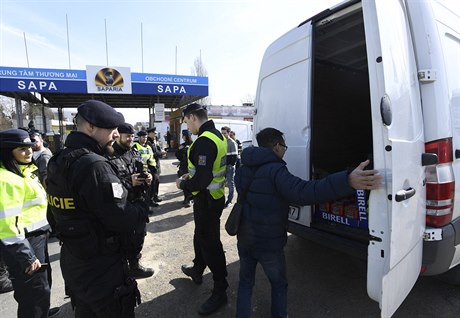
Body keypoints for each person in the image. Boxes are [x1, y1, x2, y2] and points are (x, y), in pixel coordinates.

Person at [234, 127, 383, 318]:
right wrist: (346, 181)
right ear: (277, 146)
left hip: (245, 236)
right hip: (268, 242)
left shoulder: (244, 168)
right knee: (278, 283)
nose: (284, 151)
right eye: (284, 147)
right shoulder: (276, 170)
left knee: (245, 282)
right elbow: (304, 192)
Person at [46, 100, 149, 318]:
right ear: (90, 127)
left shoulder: (58, 160)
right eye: (111, 129)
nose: (115, 134)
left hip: (75, 260)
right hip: (102, 267)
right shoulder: (95, 166)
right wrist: (141, 205)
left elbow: (53, 215)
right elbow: (122, 218)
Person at [175, 103, 228, 316]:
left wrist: (183, 184)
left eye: (187, 121)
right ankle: (198, 269)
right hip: (212, 198)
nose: (187, 126)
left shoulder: (204, 141)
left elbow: (203, 179)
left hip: (207, 200)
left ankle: (220, 290)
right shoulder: (217, 136)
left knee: (211, 243)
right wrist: (193, 177)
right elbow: (207, 171)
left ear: (193, 117)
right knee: (201, 236)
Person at [0, 128, 51, 317]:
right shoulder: (6, 179)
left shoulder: (24, 171)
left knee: (42, 290)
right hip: (24, 243)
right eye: (22, 149)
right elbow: (5, 225)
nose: (29, 152)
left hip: (38, 236)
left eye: (29, 147)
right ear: (7, 152)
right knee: (33, 295)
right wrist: (26, 256)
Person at [108, 123, 154, 278]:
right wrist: (129, 181)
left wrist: (147, 177)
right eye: (127, 136)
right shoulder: (109, 154)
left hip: (138, 201)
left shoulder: (133, 151)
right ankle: (125, 269)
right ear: (118, 135)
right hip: (123, 205)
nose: (130, 139)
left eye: (132, 136)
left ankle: (134, 265)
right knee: (124, 239)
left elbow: (141, 168)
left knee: (139, 235)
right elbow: (109, 184)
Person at [133, 130, 159, 208]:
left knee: (151, 187)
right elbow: (136, 157)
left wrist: (153, 167)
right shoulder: (135, 145)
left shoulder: (148, 146)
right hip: (140, 169)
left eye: (146, 137)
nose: (145, 139)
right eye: (143, 137)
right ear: (139, 137)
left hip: (150, 169)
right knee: (144, 190)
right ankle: (146, 206)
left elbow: (151, 157)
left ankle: (150, 201)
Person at [175, 129, 193, 206]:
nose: (183, 137)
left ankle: (190, 199)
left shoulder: (193, 144)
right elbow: (178, 156)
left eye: (184, 136)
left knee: (190, 184)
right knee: (184, 184)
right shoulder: (182, 145)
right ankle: (187, 198)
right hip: (183, 167)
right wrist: (179, 150)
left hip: (190, 167)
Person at [221, 126, 238, 208]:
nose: (223, 134)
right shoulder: (222, 141)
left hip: (229, 167)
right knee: (221, 184)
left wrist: (231, 165)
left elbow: (235, 156)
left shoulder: (232, 142)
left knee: (230, 184)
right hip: (223, 166)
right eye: (222, 133)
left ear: (228, 133)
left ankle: (229, 200)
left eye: (225, 133)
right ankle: (222, 200)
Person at [146, 127, 163, 203]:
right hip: (152, 166)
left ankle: (155, 197)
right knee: (152, 184)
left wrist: (161, 153)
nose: (155, 134)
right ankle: (151, 199)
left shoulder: (154, 141)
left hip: (157, 165)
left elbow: (158, 150)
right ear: (150, 133)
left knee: (157, 182)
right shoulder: (148, 143)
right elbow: (153, 154)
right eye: (154, 133)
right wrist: (161, 153)